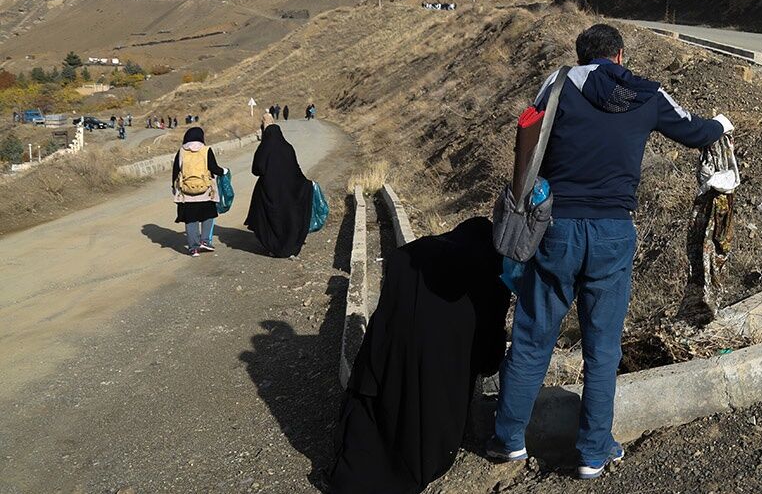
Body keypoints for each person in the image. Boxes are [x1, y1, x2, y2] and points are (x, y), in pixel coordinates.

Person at [489, 24, 732, 478]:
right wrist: (720, 124)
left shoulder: (558, 84)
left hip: (556, 229)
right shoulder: (647, 93)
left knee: (532, 337)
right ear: (620, 56)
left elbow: (528, 137)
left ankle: (508, 440)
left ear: (582, 57)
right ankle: (594, 451)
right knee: (602, 348)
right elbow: (695, 133)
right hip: (613, 232)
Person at [327, 218, 510, 493]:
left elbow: (381, 328)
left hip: (392, 357)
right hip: (436, 393)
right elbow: (489, 346)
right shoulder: (488, 273)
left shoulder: (415, 253)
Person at [244, 123, 313, 258]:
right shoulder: (288, 148)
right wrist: (306, 184)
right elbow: (295, 168)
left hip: (268, 190)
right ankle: (290, 245)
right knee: (289, 217)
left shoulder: (263, 149)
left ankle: (274, 247)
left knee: (268, 217)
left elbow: (256, 170)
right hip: (289, 190)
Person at [171, 127, 227, 257]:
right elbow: (214, 168)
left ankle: (193, 248)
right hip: (206, 191)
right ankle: (205, 241)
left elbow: (175, 171)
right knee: (207, 216)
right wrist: (223, 171)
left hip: (187, 193)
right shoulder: (206, 150)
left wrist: (174, 187)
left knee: (191, 220)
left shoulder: (181, 152)